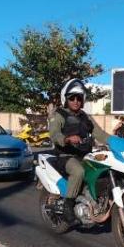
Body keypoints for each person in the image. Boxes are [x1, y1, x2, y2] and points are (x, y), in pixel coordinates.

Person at [48, 78, 110, 224]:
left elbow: (100, 133)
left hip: (84, 155)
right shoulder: (59, 115)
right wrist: (67, 139)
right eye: (72, 98)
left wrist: (115, 142)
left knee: (103, 169)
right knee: (78, 171)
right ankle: (68, 206)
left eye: (79, 98)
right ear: (66, 99)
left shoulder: (85, 117)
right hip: (65, 156)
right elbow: (54, 134)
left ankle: (98, 201)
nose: (76, 101)